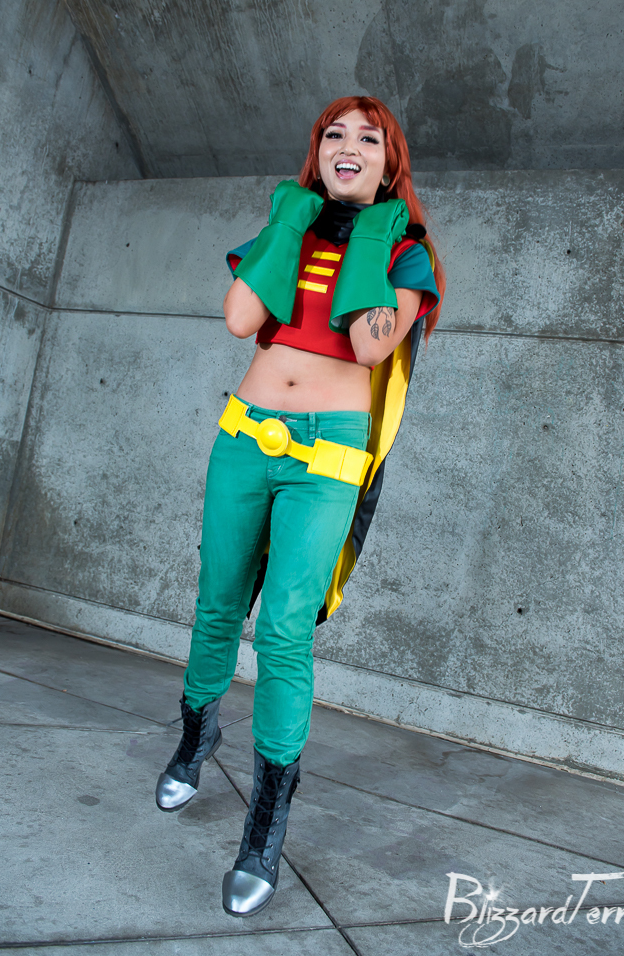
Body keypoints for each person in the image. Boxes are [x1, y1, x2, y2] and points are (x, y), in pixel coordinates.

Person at [155, 95, 445, 918]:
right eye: (333, 135)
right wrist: (292, 218)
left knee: (284, 629)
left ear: (390, 162)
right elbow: (240, 318)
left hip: (327, 459)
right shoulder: (289, 229)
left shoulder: (406, 252)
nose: (348, 145)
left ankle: (266, 824)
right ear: (316, 152)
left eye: (368, 138)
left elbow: (368, 345)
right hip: (245, 436)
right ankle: (195, 739)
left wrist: (374, 232)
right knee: (217, 605)